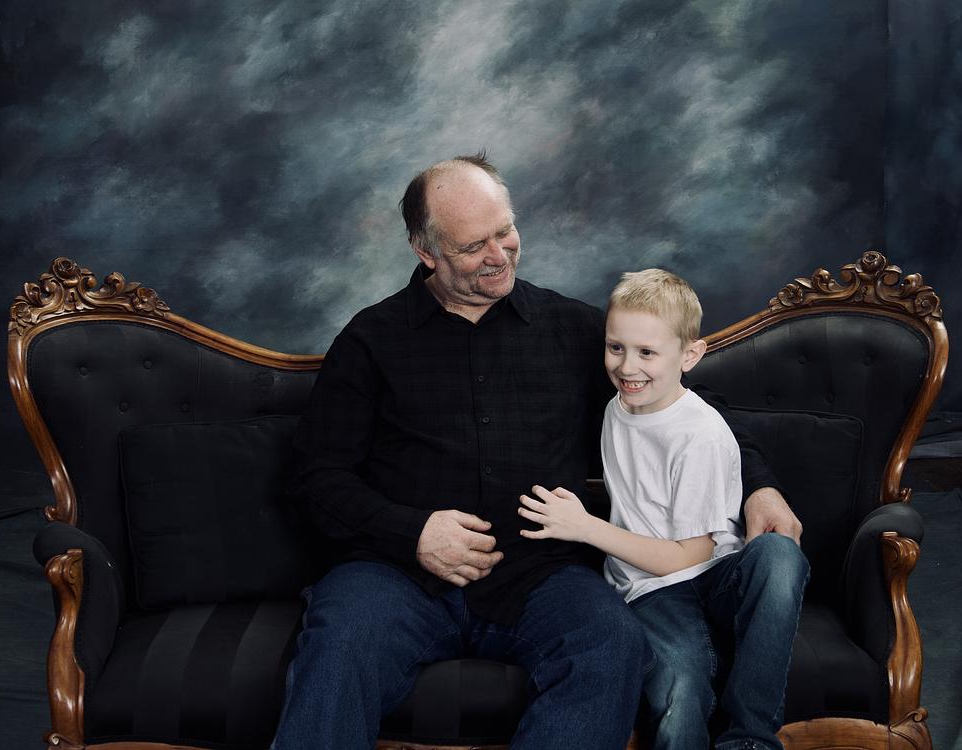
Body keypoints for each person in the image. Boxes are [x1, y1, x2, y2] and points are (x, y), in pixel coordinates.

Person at [271, 153, 802, 749]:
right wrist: (412, 533)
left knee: (611, 645)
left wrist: (760, 485)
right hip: (394, 575)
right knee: (339, 645)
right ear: (427, 252)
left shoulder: (573, 330)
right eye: (473, 246)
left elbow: (686, 405)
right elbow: (315, 479)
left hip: (541, 575)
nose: (499, 254)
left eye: (505, 231)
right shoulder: (370, 341)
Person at [518, 269, 810, 750]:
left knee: (780, 556)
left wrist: (584, 526)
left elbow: (689, 556)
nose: (627, 367)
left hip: (710, 572)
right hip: (650, 590)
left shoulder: (701, 435)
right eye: (616, 348)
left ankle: (750, 738)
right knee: (678, 695)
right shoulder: (615, 407)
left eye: (647, 353)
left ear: (689, 356)